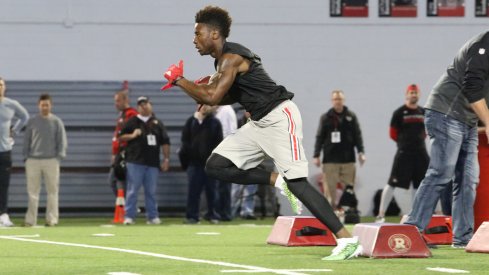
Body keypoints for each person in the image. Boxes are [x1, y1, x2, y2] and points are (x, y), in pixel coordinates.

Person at [161, 5, 362, 260]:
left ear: (214, 34)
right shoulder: (221, 61)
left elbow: (211, 95)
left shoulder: (231, 58)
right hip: (257, 124)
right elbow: (222, 97)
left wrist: (180, 80)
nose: (194, 40)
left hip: (280, 118)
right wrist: (200, 91)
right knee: (215, 165)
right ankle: (276, 180)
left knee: (298, 183)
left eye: (198, 33)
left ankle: (348, 240)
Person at [404, 31, 489, 248]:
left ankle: (462, 238)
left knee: (468, 180)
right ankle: (412, 230)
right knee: (442, 172)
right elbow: (472, 88)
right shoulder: (482, 45)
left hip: (468, 121)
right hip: (445, 112)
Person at [375, 84, 429, 223]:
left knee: (421, 184)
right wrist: (404, 143)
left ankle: (416, 214)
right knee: (391, 183)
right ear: (407, 94)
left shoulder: (423, 112)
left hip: (420, 154)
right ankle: (380, 215)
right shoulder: (399, 112)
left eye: (416, 93)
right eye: (411, 92)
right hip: (404, 154)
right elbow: (393, 134)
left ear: (419, 95)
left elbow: (426, 132)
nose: (413, 95)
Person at [119, 96, 170, 225]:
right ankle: (129, 216)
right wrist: (132, 135)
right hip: (135, 162)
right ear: (138, 107)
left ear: (150, 105)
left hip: (152, 163)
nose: (144, 106)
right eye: (141, 105)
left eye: (146, 104)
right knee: (132, 191)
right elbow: (121, 137)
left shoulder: (157, 123)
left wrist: (166, 159)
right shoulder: (132, 121)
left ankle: (152, 216)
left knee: (151, 191)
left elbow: (165, 142)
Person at [312, 90, 366, 208]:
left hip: (348, 160)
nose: (338, 101)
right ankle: (330, 215)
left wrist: (361, 152)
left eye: (340, 99)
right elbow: (319, 137)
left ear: (343, 100)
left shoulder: (351, 116)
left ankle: (349, 212)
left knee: (349, 189)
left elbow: (358, 135)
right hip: (330, 160)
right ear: (332, 101)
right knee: (329, 191)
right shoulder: (326, 117)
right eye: (335, 99)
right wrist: (316, 155)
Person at [23, 93, 67, 227]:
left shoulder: (57, 122)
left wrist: (59, 156)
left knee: (52, 192)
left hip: (51, 161)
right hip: (33, 161)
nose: (45, 107)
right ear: (39, 106)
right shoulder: (32, 121)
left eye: (47, 105)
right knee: (32, 192)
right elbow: (26, 141)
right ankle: (30, 221)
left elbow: (62, 140)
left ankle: (52, 220)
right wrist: (26, 157)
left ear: (50, 105)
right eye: (42, 105)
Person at [180, 104, 223, 224]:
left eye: (207, 104)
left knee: (212, 191)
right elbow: (185, 142)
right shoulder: (190, 122)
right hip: (194, 164)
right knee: (193, 192)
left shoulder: (215, 123)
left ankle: (213, 215)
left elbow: (219, 143)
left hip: (211, 164)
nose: (204, 107)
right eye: (201, 104)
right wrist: (186, 161)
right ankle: (192, 216)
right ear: (197, 105)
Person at [0, 77, 29, 227]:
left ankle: (3, 215)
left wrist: (14, 131)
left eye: (1, 85)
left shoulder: (11, 104)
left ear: (4, 87)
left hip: (4, 151)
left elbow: (25, 117)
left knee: (3, 184)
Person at [109, 88, 138, 197]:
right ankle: (126, 206)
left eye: (118, 101)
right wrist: (114, 153)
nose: (115, 104)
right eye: (115, 101)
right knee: (115, 181)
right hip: (118, 155)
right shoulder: (122, 115)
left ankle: (129, 207)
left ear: (126, 100)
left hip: (126, 155)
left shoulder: (131, 114)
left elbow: (132, 135)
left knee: (121, 182)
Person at [213, 105, 237, 221]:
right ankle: (222, 212)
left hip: (225, 153)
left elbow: (230, 132)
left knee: (223, 186)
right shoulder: (220, 111)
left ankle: (224, 213)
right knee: (222, 186)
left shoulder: (226, 110)